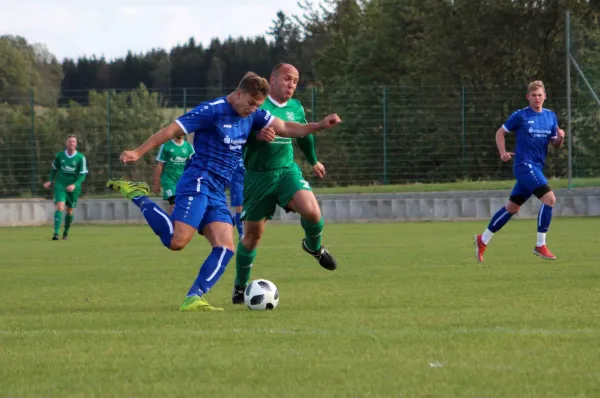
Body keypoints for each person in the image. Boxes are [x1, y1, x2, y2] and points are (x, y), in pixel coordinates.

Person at [106, 72, 341, 312]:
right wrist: (137, 151)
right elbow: (171, 130)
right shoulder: (212, 110)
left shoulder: (255, 114)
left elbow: (286, 127)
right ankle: (138, 196)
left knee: (226, 247)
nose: (253, 109)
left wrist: (319, 126)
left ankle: (194, 297)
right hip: (198, 180)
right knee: (177, 242)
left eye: (258, 105)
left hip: (218, 189)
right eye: (250, 103)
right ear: (239, 94)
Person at [232, 63, 334, 304]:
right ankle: (239, 287)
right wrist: (256, 137)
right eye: (287, 79)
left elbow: (302, 135)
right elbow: (235, 135)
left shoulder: (296, 107)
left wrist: (314, 161)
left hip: (286, 170)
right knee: (252, 237)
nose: (291, 85)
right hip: (257, 177)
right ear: (273, 80)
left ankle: (314, 247)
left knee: (312, 212)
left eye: (296, 81)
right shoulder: (256, 104)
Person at [474, 80, 565, 262]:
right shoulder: (521, 116)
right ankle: (540, 245)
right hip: (524, 165)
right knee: (550, 199)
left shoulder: (551, 116)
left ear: (545, 96)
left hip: (537, 167)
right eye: (533, 96)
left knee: (512, 208)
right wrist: (502, 153)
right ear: (528, 97)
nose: (537, 98)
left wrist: (561, 138)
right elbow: (500, 133)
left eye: (540, 95)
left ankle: (482, 239)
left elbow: (555, 143)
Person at [43, 135, 88, 241]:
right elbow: (54, 169)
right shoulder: (60, 155)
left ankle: (66, 232)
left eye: (73, 141)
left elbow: (82, 175)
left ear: (76, 144)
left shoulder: (81, 158)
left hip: (74, 187)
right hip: (60, 185)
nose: (71, 143)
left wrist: (74, 185)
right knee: (60, 206)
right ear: (66, 143)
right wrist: (50, 180)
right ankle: (56, 233)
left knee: (70, 211)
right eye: (69, 141)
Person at [152, 136, 195, 214]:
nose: (181, 133)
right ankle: (172, 225)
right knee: (174, 203)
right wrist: (156, 183)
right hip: (169, 180)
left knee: (183, 204)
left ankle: (179, 224)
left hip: (183, 180)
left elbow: (194, 164)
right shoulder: (165, 146)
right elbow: (160, 165)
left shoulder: (189, 147)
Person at [228, 157, 245, 239]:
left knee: (246, 210)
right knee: (240, 208)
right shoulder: (235, 153)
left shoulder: (250, 152)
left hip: (248, 183)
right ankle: (241, 234)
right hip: (237, 184)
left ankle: (227, 225)